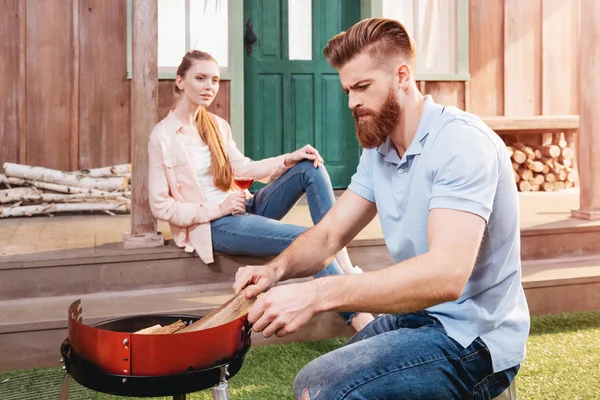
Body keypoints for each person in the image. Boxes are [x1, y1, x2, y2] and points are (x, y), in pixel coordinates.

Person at [232, 18, 531, 399]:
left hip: (474, 339)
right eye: (347, 90)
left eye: (362, 87)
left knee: (331, 392)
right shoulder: (380, 151)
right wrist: (274, 270)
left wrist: (319, 294)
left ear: (402, 76)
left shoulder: (461, 144)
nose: (353, 102)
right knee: (309, 383)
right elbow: (329, 234)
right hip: (420, 315)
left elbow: (446, 275)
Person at [147, 50, 374, 332]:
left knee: (308, 167)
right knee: (307, 239)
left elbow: (242, 167)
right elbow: (161, 206)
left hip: (244, 205)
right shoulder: (163, 136)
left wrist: (287, 159)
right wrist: (219, 208)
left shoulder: (217, 126)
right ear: (180, 81)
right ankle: (357, 317)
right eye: (201, 78)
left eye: (215, 80)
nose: (209, 87)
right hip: (216, 224)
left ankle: (346, 267)